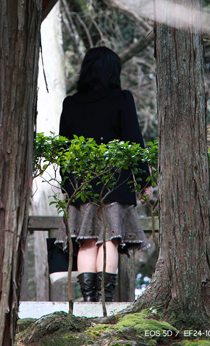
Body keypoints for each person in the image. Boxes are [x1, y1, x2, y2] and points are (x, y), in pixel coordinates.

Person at [55, 46, 152, 303]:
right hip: (115, 180)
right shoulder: (122, 99)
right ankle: (104, 300)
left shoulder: (71, 103)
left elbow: (65, 148)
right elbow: (134, 142)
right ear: (113, 72)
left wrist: (67, 184)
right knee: (109, 238)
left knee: (85, 241)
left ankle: (88, 300)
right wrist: (144, 181)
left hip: (80, 182)